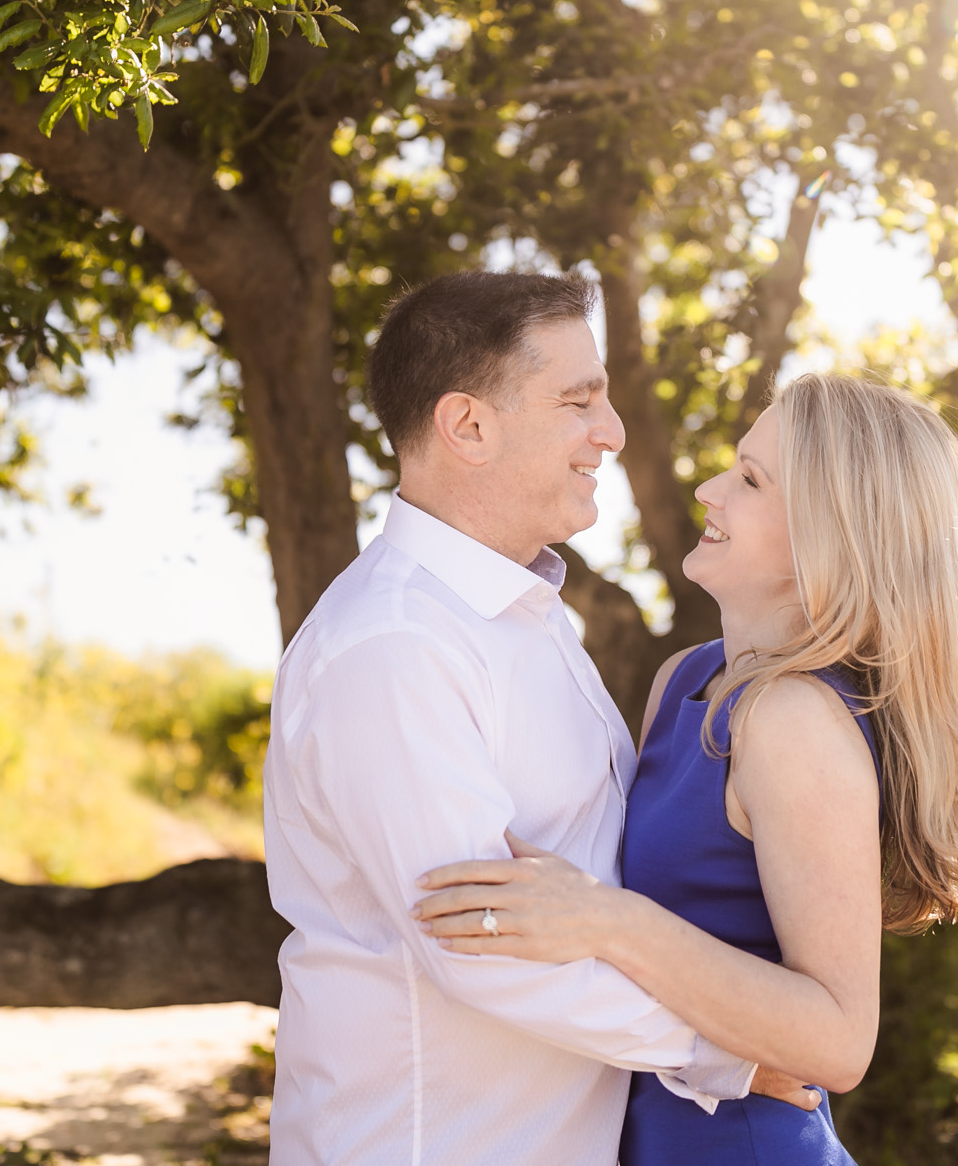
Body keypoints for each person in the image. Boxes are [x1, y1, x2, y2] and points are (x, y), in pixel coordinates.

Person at [260, 270, 813, 1166]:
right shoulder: (394, 644)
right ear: (468, 425)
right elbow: (480, 943)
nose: (613, 431)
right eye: (576, 400)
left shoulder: (529, 613)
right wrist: (726, 1052)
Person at [413, 373, 958, 1165]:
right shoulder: (685, 679)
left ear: (832, 535)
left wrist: (604, 918)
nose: (709, 488)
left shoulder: (791, 719)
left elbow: (838, 1040)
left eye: (751, 479)